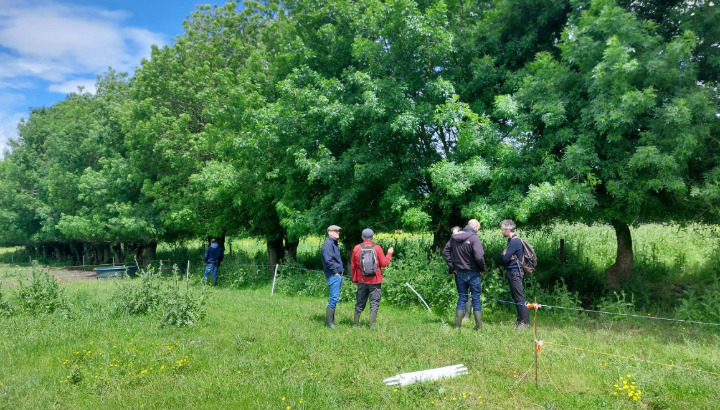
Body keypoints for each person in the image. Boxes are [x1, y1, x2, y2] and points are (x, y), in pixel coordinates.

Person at [442, 219, 486, 330]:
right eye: (478, 229)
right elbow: (479, 257)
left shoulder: (454, 237)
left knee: (462, 297)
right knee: (476, 298)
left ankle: (457, 327)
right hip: (474, 273)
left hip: (460, 272)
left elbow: (445, 252)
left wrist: (453, 267)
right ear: (475, 227)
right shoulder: (474, 237)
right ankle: (479, 327)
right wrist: (482, 269)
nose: (478, 231)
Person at [351, 228, 393, 328]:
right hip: (375, 280)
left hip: (361, 280)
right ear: (373, 236)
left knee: (360, 301)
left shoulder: (357, 248)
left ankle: (355, 325)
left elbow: (353, 266)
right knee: (374, 302)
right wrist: (389, 253)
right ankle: (372, 326)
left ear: (362, 237)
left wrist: (354, 279)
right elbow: (384, 263)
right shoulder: (377, 248)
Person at [501, 219, 530, 329]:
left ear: (508, 230)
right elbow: (505, 255)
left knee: (519, 297)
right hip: (512, 271)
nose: (501, 231)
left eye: (503, 229)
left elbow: (505, 257)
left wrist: (506, 255)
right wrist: (506, 255)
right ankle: (520, 320)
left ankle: (525, 323)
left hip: (515, 272)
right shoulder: (511, 240)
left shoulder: (514, 241)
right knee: (515, 296)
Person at [321, 225, 344, 329]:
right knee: (334, 298)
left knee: (335, 298)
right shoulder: (328, 244)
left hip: (337, 275)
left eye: (338, 231)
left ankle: (331, 321)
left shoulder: (334, 243)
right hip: (333, 275)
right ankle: (329, 323)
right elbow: (328, 260)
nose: (338, 232)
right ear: (329, 232)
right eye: (335, 231)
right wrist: (335, 272)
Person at [448, 226, 472, 320]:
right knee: (462, 292)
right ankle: (462, 314)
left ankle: (467, 315)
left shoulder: (467, 242)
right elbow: (447, 254)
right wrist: (453, 267)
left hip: (469, 270)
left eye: (456, 233)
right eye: (453, 234)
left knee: (468, 292)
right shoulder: (452, 242)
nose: (455, 236)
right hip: (457, 271)